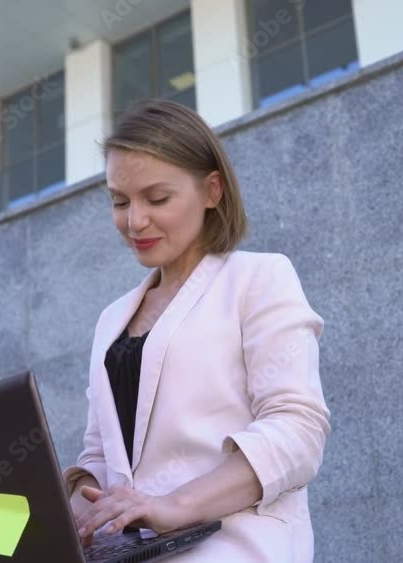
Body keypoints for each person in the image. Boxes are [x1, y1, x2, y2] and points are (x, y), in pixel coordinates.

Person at [62, 98, 331, 562]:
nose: (134, 221)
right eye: (119, 201)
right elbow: (101, 456)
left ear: (212, 190)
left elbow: (298, 429)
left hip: (235, 546)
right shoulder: (112, 319)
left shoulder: (258, 279)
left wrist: (175, 505)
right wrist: (73, 502)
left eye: (157, 198)